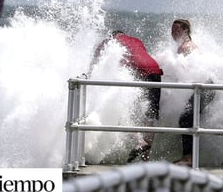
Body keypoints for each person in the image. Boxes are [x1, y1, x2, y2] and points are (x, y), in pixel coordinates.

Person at [88, 31, 163, 163]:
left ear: (112, 35)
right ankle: (146, 159)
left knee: (119, 110)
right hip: (154, 70)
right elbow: (141, 56)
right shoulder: (136, 40)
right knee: (151, 114)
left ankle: (140, 141)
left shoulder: (109, 42)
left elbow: (95, 63)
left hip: (137, 71)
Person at [171, 19, 215, 167]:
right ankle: (191, 157)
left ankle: (189, 158)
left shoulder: (184, 48)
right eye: (172, 30)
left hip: (203, 87)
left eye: (177, 30)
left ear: (185, 31)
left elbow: (182, 72)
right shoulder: (191, 44)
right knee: (189, 119)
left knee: (185, 119)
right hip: (206, 86)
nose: (173, 33)